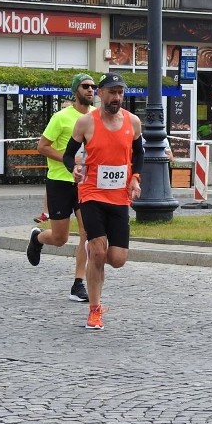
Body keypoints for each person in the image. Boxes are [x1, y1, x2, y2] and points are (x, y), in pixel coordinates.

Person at [61, 73, 143, 331]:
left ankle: (95, 256)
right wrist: (73, 169)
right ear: (101, 94)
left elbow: (138, 152)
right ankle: (94, 311)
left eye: (120, 92)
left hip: (119, 197)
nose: (116, 97)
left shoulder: (133, 122)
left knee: (117, 259)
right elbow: (68, 154)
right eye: (111, 92)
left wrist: (135, 179)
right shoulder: (86, 123)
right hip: (92, 193)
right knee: (97, 251)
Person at [26, 74, 97, 303]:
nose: (90, 90)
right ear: (76, 90)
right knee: (60, 238)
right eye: (85, 86)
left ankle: (78, 283)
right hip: (59, 181)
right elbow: (42, 146)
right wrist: (69, 159)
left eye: (93, 87)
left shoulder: (97, 117)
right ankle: (37, 239)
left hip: (86, 183)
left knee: (87, 233)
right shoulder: (61, 117)